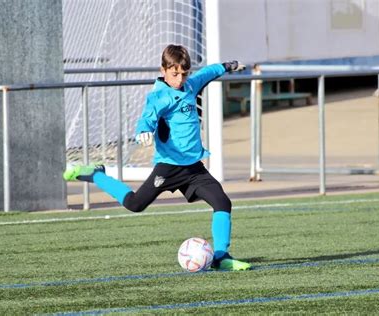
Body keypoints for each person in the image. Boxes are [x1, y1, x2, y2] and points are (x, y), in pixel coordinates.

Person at [63, 44, 251, 271]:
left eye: (184, 73)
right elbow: (147, 117)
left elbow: (208, 72)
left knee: (222, 202)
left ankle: (221, 257)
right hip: (169, 167)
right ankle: (96, 175)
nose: (180, 79)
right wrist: (143, 130)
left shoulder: (191, 84)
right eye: (175, 74)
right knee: (135, 204)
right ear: (163, 70)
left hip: (193, 168)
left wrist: (227, 66)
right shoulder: (159, 96)